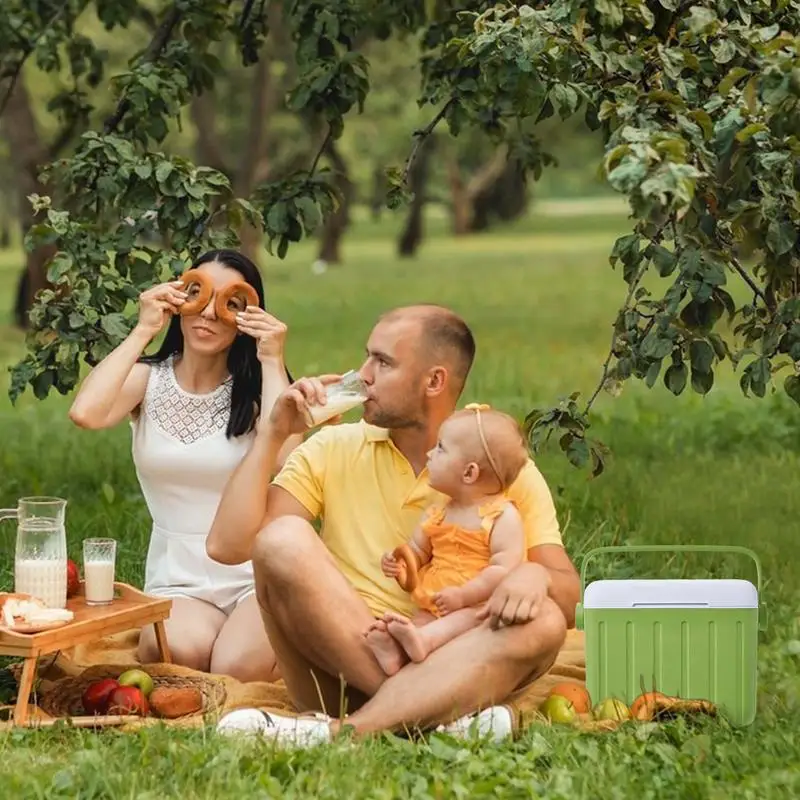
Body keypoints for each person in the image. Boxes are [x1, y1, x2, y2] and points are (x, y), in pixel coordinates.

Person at [208, 304, 580, 743]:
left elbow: (566, 596)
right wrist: (273, 434)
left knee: (546, 619)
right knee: (280, 539)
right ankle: (431, 716)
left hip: (458, 654)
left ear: (434, 381)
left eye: (382, 362)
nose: (362, 374)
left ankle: (349, 732)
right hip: (345, 669)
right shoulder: (332, 447)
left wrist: (534, 575)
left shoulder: (495, 467)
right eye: (368, 357)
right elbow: (227, 546)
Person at [68, 249, 298, 682]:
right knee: (173, 652)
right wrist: (143, 329)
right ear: (179, 300)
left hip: (253, 571)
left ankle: (257, 641)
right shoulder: (148, 380)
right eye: (197, 295)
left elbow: (288, 457)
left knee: (237, 666)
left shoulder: (257, 391)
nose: (208, 314)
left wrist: (271, 359)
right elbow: (86, 413)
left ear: (247, 317)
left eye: (229, 303)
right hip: (177, 577)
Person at [367, 403, 528, 672]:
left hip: (478, 607)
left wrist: (464, 596)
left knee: (463, 620)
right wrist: (400, 565)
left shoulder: (502, 516)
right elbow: (417, 551)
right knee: (421, 622)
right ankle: (398, 654)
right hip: (437, 600)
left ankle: (421, 642)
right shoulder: (439, 512)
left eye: (440, 448)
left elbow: (503, 570)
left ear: (469, 473)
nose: (430, 453)